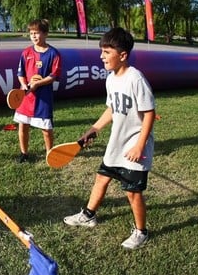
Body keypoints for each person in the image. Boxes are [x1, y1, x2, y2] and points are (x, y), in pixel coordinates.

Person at [63, 27, 155, 250]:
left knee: (132, 192)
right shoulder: (111, 79)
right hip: (116, 145)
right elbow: (112, 109)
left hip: (134, 148)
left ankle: (141, 232)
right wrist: (93, 128)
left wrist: (139, 146)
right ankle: (88, 215)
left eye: (106, 52)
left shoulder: (136, 79)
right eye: (101, 51)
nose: (101, 56)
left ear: (122, 55)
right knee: (101, 179)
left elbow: (150, 114)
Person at [13, 19, 62, 163]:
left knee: (46, 130)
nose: (34, 36)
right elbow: (20, 73)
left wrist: (37, 84)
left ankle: (50, 154)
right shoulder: (26, 52)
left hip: (43, 97)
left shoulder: (54, 54)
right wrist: (24, 84)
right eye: (31, 33)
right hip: (26, 97)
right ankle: (24, 153)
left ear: (45, 33)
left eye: (37, 33)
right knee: (23, 125)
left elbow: (54, 75)